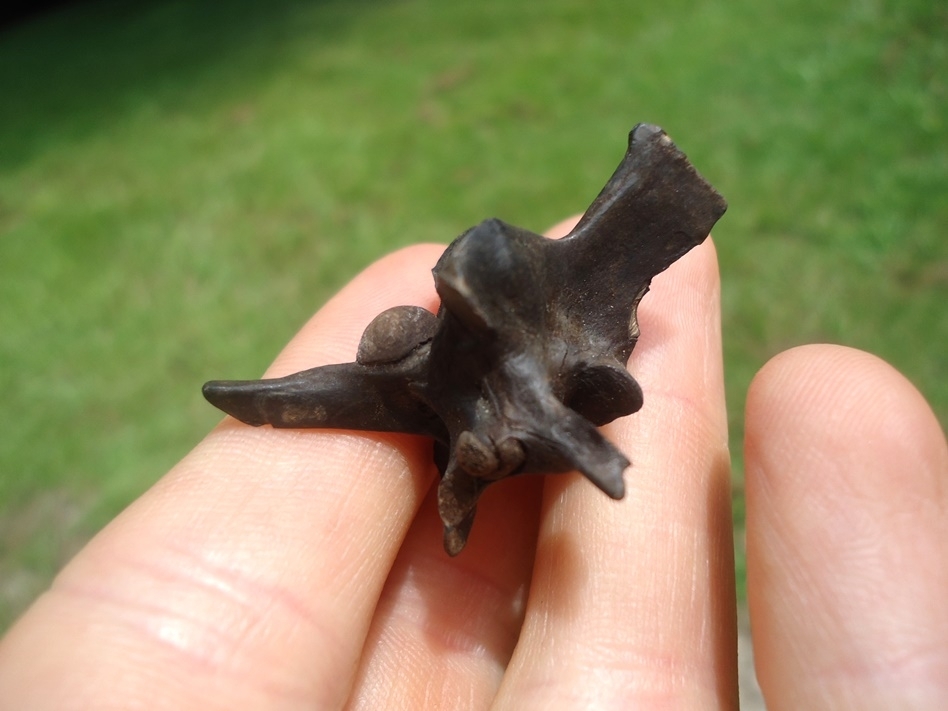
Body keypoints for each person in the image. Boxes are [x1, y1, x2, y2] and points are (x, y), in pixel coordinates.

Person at [0, 218, 945, 710]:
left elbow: (522, 379)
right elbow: (314, 393)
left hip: (548, 355)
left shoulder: (506, 345)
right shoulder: (435, 377)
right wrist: (490, 464)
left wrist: (536, 444)